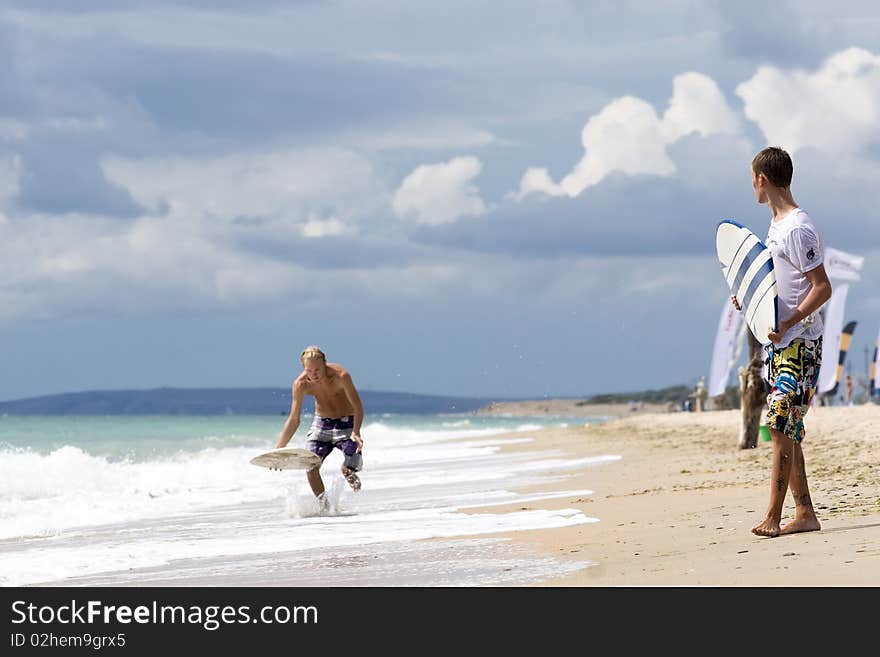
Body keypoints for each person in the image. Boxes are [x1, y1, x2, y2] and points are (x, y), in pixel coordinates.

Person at [731, 146, 832, 538]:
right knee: (785, 426)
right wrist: (751, 301)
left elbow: (821, 288)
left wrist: (789, 320)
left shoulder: (797, 227)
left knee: (777, 423)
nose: (751, 186)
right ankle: (805, 512)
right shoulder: (775, 227)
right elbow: (779, 287)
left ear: (761, 179)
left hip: (801, 342)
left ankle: (773, 516)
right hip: (780, 342)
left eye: (751, 179)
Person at [275, 346, 365, 509]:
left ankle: (349, 474)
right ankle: (325, 507)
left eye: (317, 369)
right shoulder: (301, 384)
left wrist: (356, 431)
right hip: (321, 424)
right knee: (311, 466)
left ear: (325, 364)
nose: (313, 374)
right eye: (309, 370)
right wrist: (280, 448)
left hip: (346, 423)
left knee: (351, 465)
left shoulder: (341, 376)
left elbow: (358, 406)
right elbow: (294, 419)